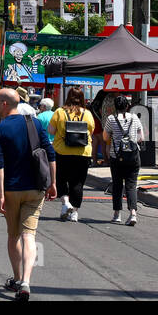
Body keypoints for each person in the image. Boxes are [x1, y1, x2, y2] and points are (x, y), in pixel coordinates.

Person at [0, 87, 56, 301]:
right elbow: (50, 153)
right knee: (29, 236)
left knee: (13, 235)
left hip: (11, 189)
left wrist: (0, 194)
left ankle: (17, 278)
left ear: (4, 104)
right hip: (35, 188)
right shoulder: (34, 123)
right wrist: (52, 183)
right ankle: (26, 282)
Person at [47, 86, 94, 222]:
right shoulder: (87, 113)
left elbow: (51, 130)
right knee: (78, 182)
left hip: (62, 151)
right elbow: (90, 132)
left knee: (61, 179)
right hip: (83, 152)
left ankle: (65, 203)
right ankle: (74, 212)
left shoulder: (60, 112)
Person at [105, 95, 144, 225]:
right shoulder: (134, 118)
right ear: (127, 106)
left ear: (115, 107)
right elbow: (141, 138)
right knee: (131, 185)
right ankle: (133, 213)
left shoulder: (111, 119)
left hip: (117, 156)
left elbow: (105, 137)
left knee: (117, 185)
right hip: (133, 156)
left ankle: (117, 214)